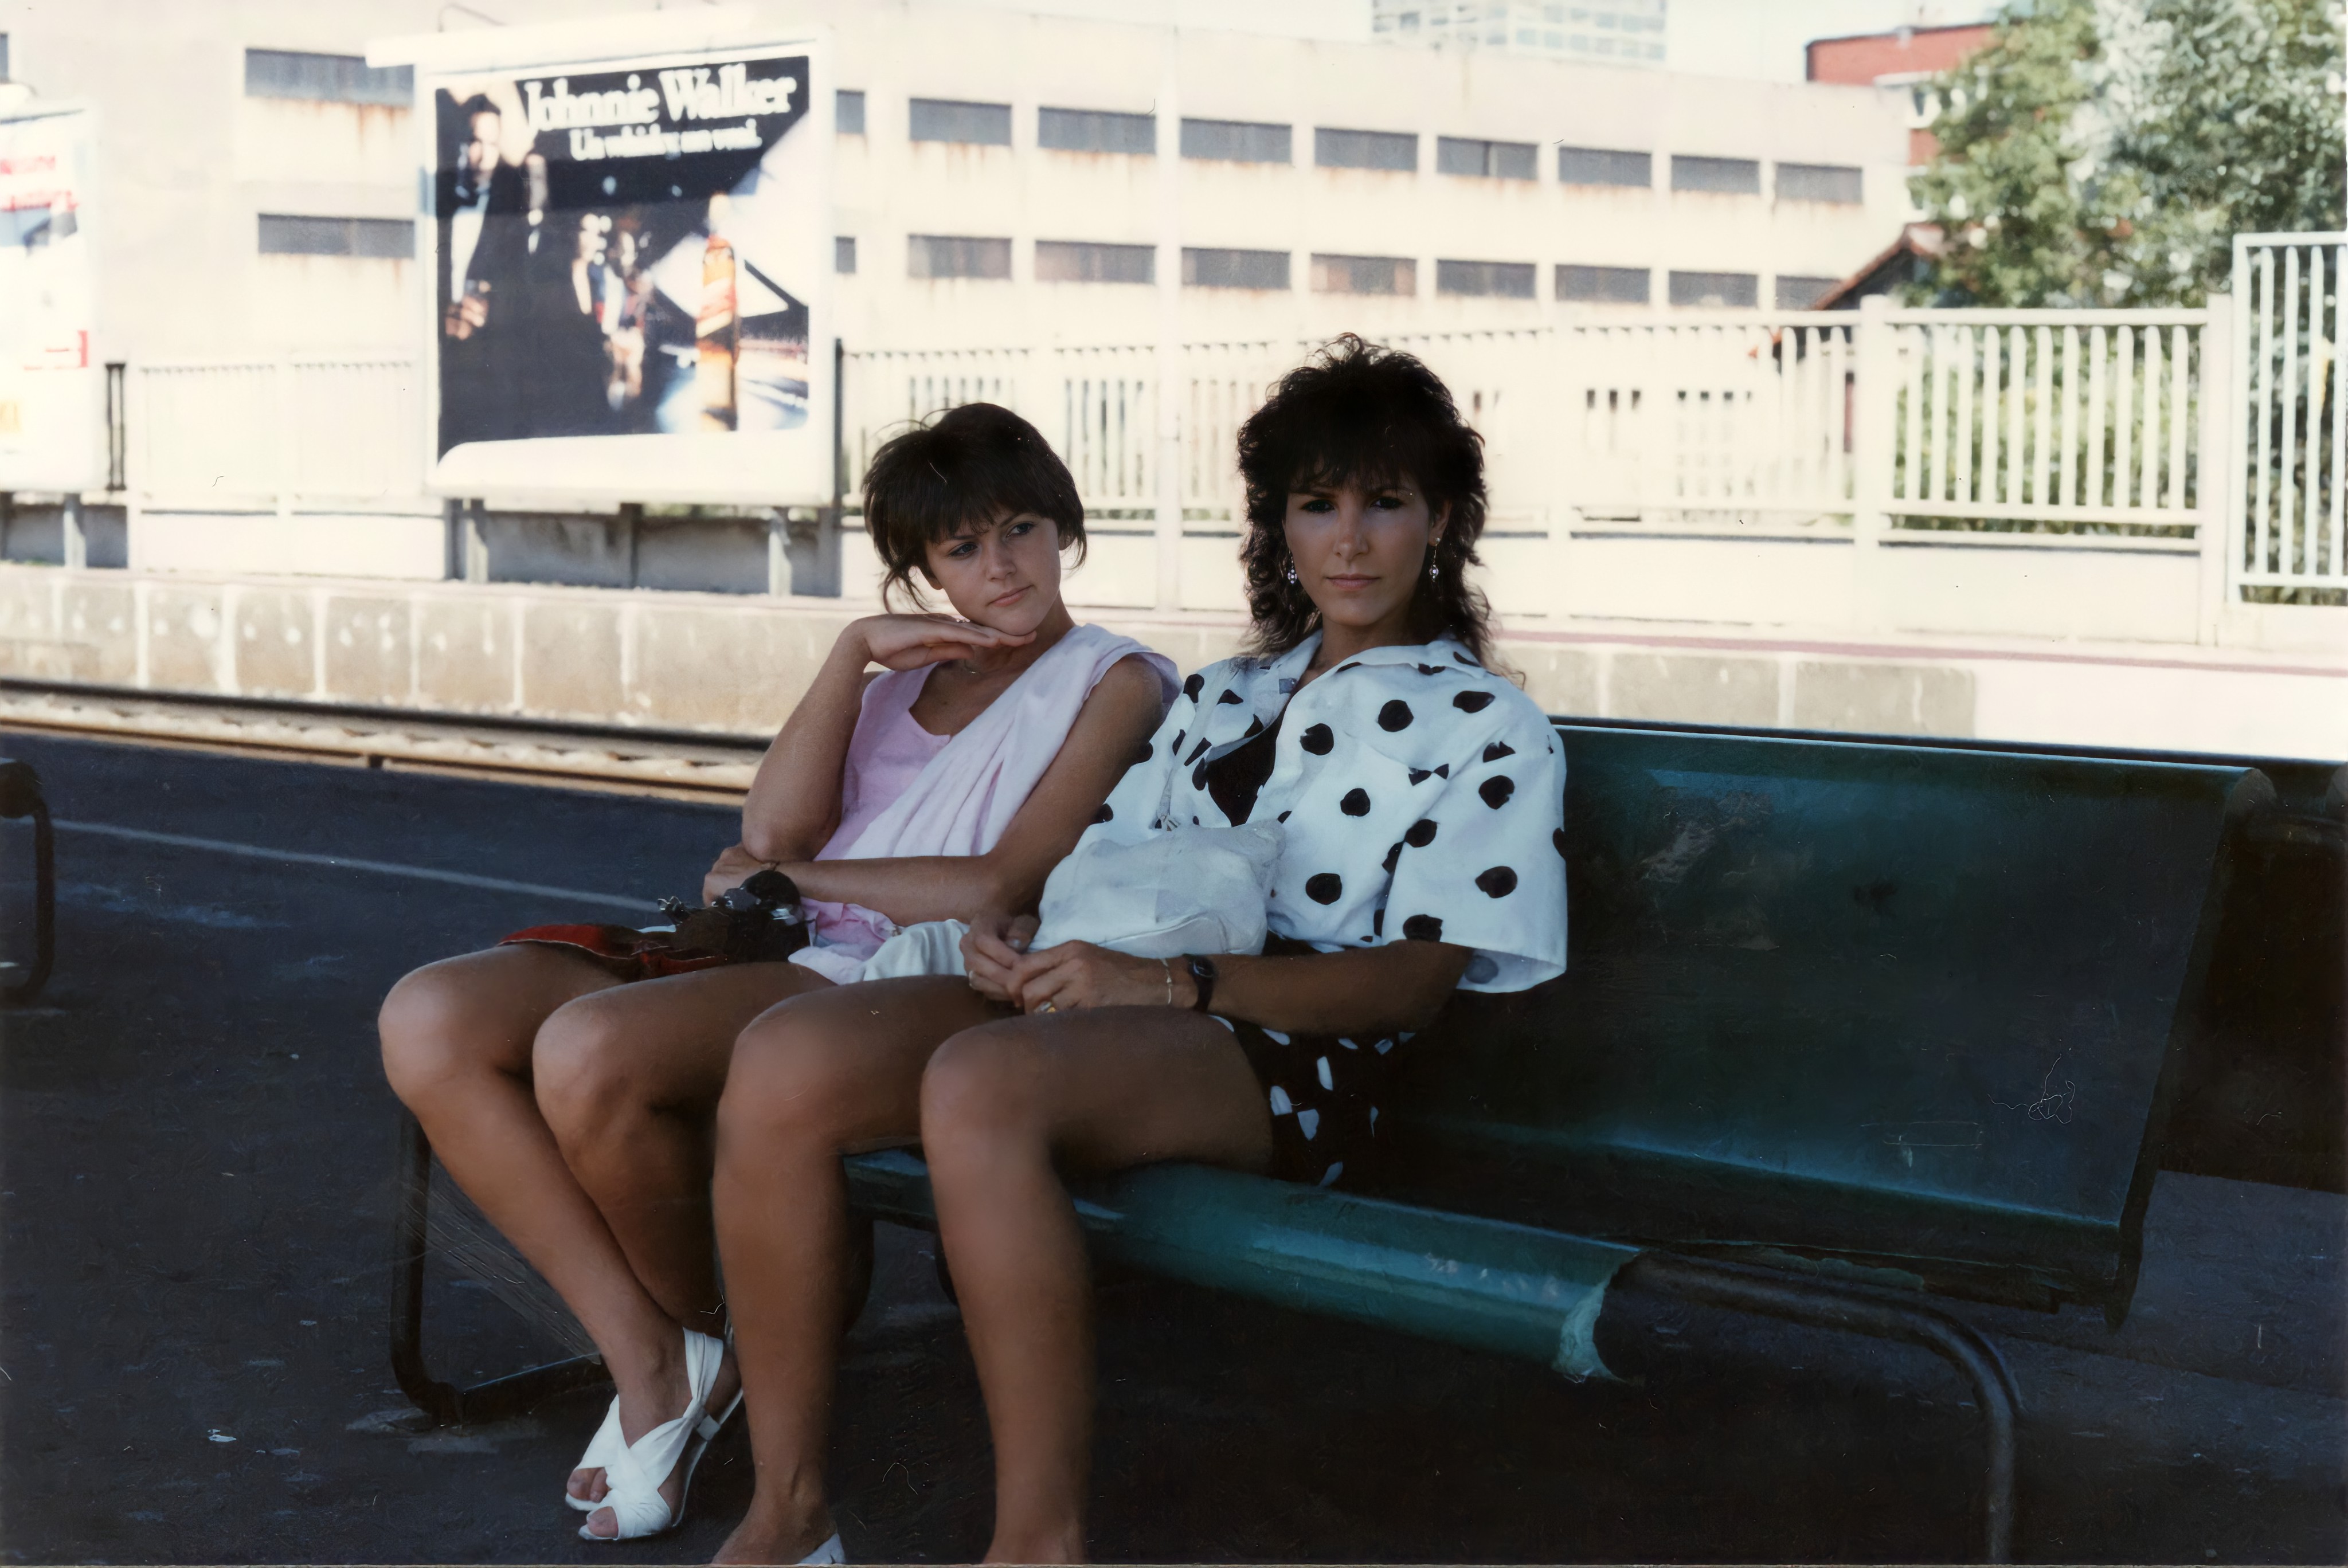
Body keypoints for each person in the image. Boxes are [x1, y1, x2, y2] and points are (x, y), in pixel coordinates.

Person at [707, 335, 1568, 1565]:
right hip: (1108, 1009)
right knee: (787, 1059)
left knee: (976, 1084)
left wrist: (1171, 983)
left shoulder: (1485, 723)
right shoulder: (1223, 697)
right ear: (1277, 525)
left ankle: (1036, 1547)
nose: (1349, 539)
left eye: (1384, 502)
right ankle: (787, 1509)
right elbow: (1088, 876)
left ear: (1441, 518)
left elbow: (1416, 982)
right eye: (1315, 504)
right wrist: (1013, 941)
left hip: (1299, 1054)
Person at [375, 402, 1172, 1545]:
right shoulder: (900, 677)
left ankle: (729, 1344)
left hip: (895, 977)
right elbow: (769, 819)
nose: (1002, 568)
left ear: (1065, 530)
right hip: (783, 951)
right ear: (918, 570)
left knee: (591, 1053)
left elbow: (998, 877)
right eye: (961, 549)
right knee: (429, 1019)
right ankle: (660, 1358)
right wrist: (849, 658)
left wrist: (788, 875)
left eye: (1022, 530)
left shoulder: (1113, 680)